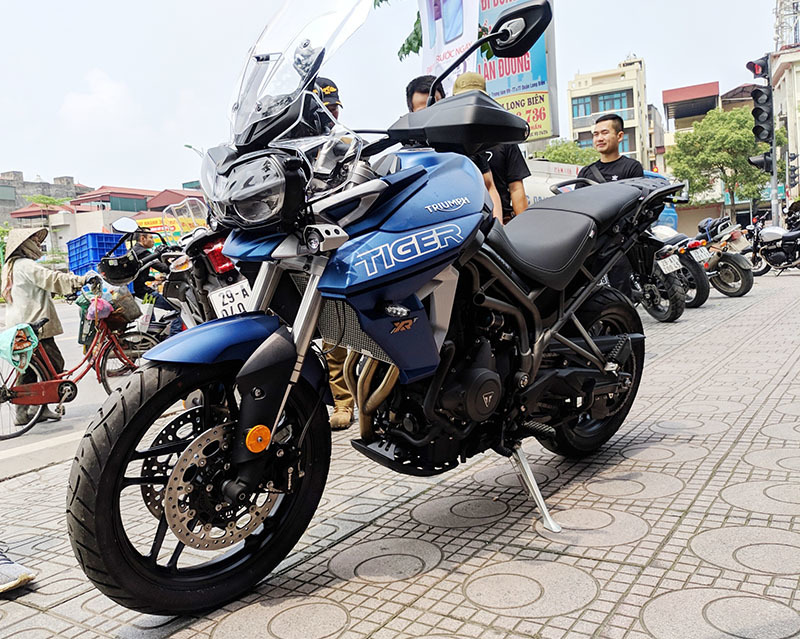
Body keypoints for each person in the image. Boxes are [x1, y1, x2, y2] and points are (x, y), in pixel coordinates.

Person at [2, 228, 88, 424]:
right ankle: (37, 408)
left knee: (29, 368)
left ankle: (25, 412)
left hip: (19, 324)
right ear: (25, 244)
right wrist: (80, 280)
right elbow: (51, 278)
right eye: (34, 240)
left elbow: (35, 288)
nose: (38, 244)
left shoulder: (11, 266)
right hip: (33, 325)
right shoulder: (25, 265)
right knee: (53, 364)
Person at [405, 74, 504, 222]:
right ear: (411, 113)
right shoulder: (407, 157)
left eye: (434, 107)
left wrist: (497, 227)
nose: (429, 115)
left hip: (477, 228)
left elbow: (489, 187)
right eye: (422, 111)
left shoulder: (466, 142)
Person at [314, 76, 355, 430]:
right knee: (331, 331)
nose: (331, 115)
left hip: (345, 243)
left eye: (334, 108)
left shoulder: (345, 145)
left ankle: (352, 401)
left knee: (346, 326)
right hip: (311, 248)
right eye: (325, 108)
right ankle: (339, 400)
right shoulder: (292, 151)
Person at [452, 72, 531, 223]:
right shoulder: (449, 142)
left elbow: (516, 188)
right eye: (465, 99)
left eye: (476, 98)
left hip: (503, 222)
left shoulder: (503, 138)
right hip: (466, 224)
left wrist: (523, 226)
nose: (471, 104)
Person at [131, 230, 182, 337]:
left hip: (136, 293)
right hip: (145, 294)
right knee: (178, 308)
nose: (153, 241)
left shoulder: (133, 252)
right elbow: (164, 268)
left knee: (150, 318)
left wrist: (154, 278)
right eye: (151, 238)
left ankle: (151, 339)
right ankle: (175, 336)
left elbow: (138, 274)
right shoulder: (143, 253)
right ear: (142, 239)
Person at [578, 114, 644, 184]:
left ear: (620, 136)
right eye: (596, 134)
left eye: (605, 133)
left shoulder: (632, 167)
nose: (599, 139)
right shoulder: (585, 172)